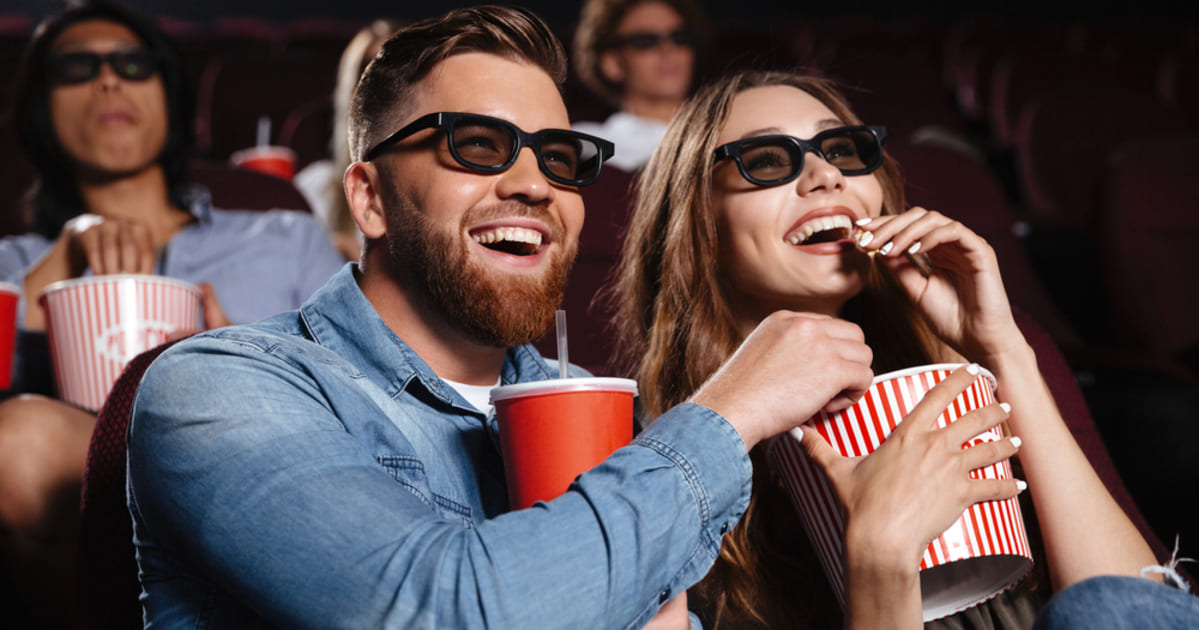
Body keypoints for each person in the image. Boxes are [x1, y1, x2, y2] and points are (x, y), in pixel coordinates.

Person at [123, 6, 952, 629]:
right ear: (369, 199)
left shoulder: (608, 415)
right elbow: (441, 610)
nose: (533, 184)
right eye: (476, 145)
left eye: (558, 157)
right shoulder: (220, 386)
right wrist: (729, 412)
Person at [609, 68, 1199, 629]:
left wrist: (1003, 355)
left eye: (843, 150)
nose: (826, 176)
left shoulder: (979, 349)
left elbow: (1130, 608)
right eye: (767, 160)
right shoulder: (655, 465)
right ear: (697, 223)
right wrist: (880, 554)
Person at [0, 2, 344, 625]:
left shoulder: (283, 234)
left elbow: (359, 382)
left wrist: (244, 365)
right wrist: (61, 260)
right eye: (77, 68)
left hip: (264, 472)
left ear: (170, 94)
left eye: (133, 65)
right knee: (16, 442)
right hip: (85, 490)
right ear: (40, 109)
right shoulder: (16, 262)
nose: (109, 81)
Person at [293, 17, 402, 261]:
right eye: (367, 71)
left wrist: (359, 258)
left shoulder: (446, 190)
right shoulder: (317, 188)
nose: (382, 88)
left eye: (399, 71)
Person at [572, 0, 704, 172]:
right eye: (646, 41)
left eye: (679, 38)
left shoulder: (724, 130)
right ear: (612, 63)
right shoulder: (588, 142)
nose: (668, 49)